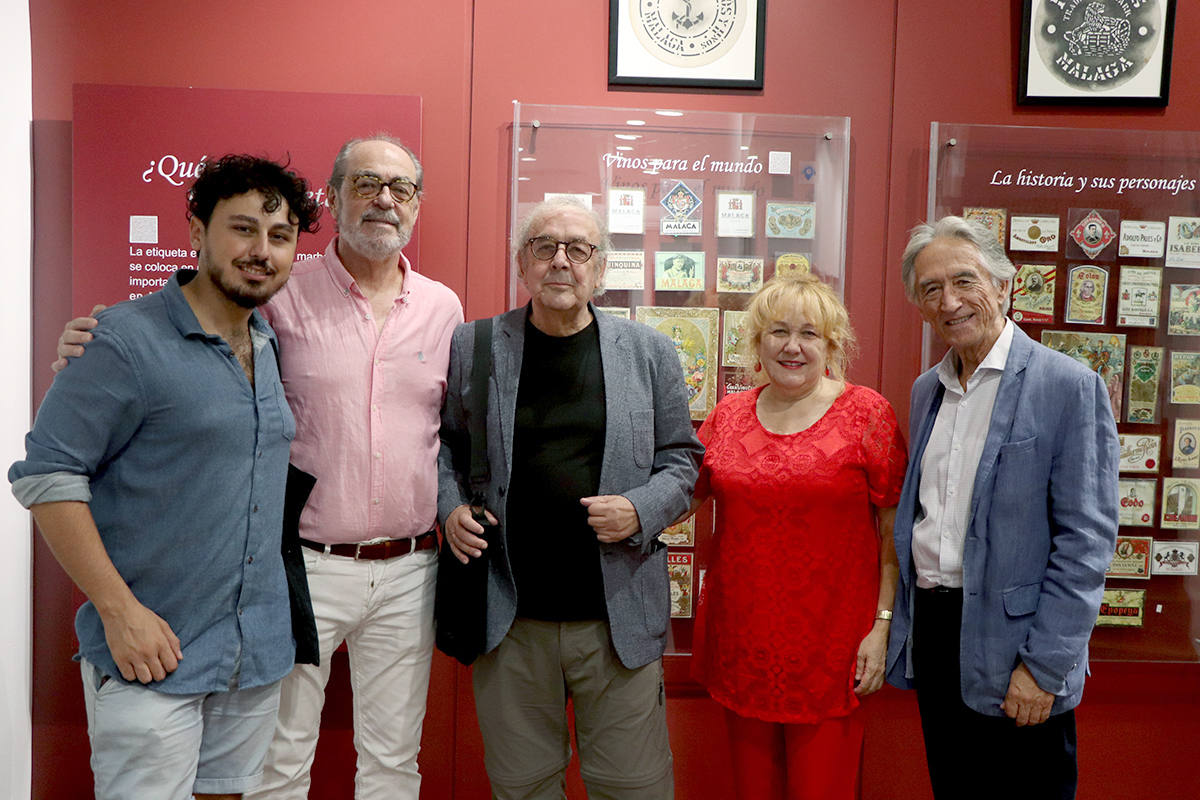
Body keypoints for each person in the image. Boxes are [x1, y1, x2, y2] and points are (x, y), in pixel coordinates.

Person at [55, 135, 464, 799]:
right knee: (279, 759)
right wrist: (91, 338)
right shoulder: (279, 291)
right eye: (365, 183)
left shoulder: (444, 309)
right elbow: (182, 332)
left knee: (393, 761)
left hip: (410, 570)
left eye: (401, 187)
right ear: (331, 200)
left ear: (418, 205)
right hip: (299, 567)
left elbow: (448, 434)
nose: (384, 199)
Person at [11, 154, 321, 800]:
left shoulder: (269, 340)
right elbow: (46, 476)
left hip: (251, 656)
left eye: (280, 235)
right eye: (242, 229)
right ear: (196, 230)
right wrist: (118, 611)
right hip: (150, 655)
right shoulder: (123, 340)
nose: (261, 251)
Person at [438, 197, 703, 799]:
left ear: (600, 267)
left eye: (578, 249)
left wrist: (641, 509)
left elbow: (683, 460)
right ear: (522, 263)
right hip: (510, 618)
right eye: (545, 247)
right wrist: (449, 506)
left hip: (616, 617)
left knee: (633, 789)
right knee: (524, 789)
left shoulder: (649, 351)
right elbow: (445, 447)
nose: (562, 261)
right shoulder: (475, 346)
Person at [888, 216, 1119, 800]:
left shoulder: (1068, 386)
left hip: (1019, 643)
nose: (950, 301)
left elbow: (1086, 544)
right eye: (931, 289)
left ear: (1005, 285)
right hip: (938, 635)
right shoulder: (926, 391)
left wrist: (1044, 667)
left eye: (965, 281)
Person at [688, 274, 906, 799]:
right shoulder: (727, 414)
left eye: (809, 333)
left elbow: (893, 533)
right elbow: (679, 495)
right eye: (778, 331)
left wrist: (881, 626)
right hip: (741, 641)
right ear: (757, 343)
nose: (792, 346)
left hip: (833, 649)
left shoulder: (867, 415)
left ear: (832, 345)